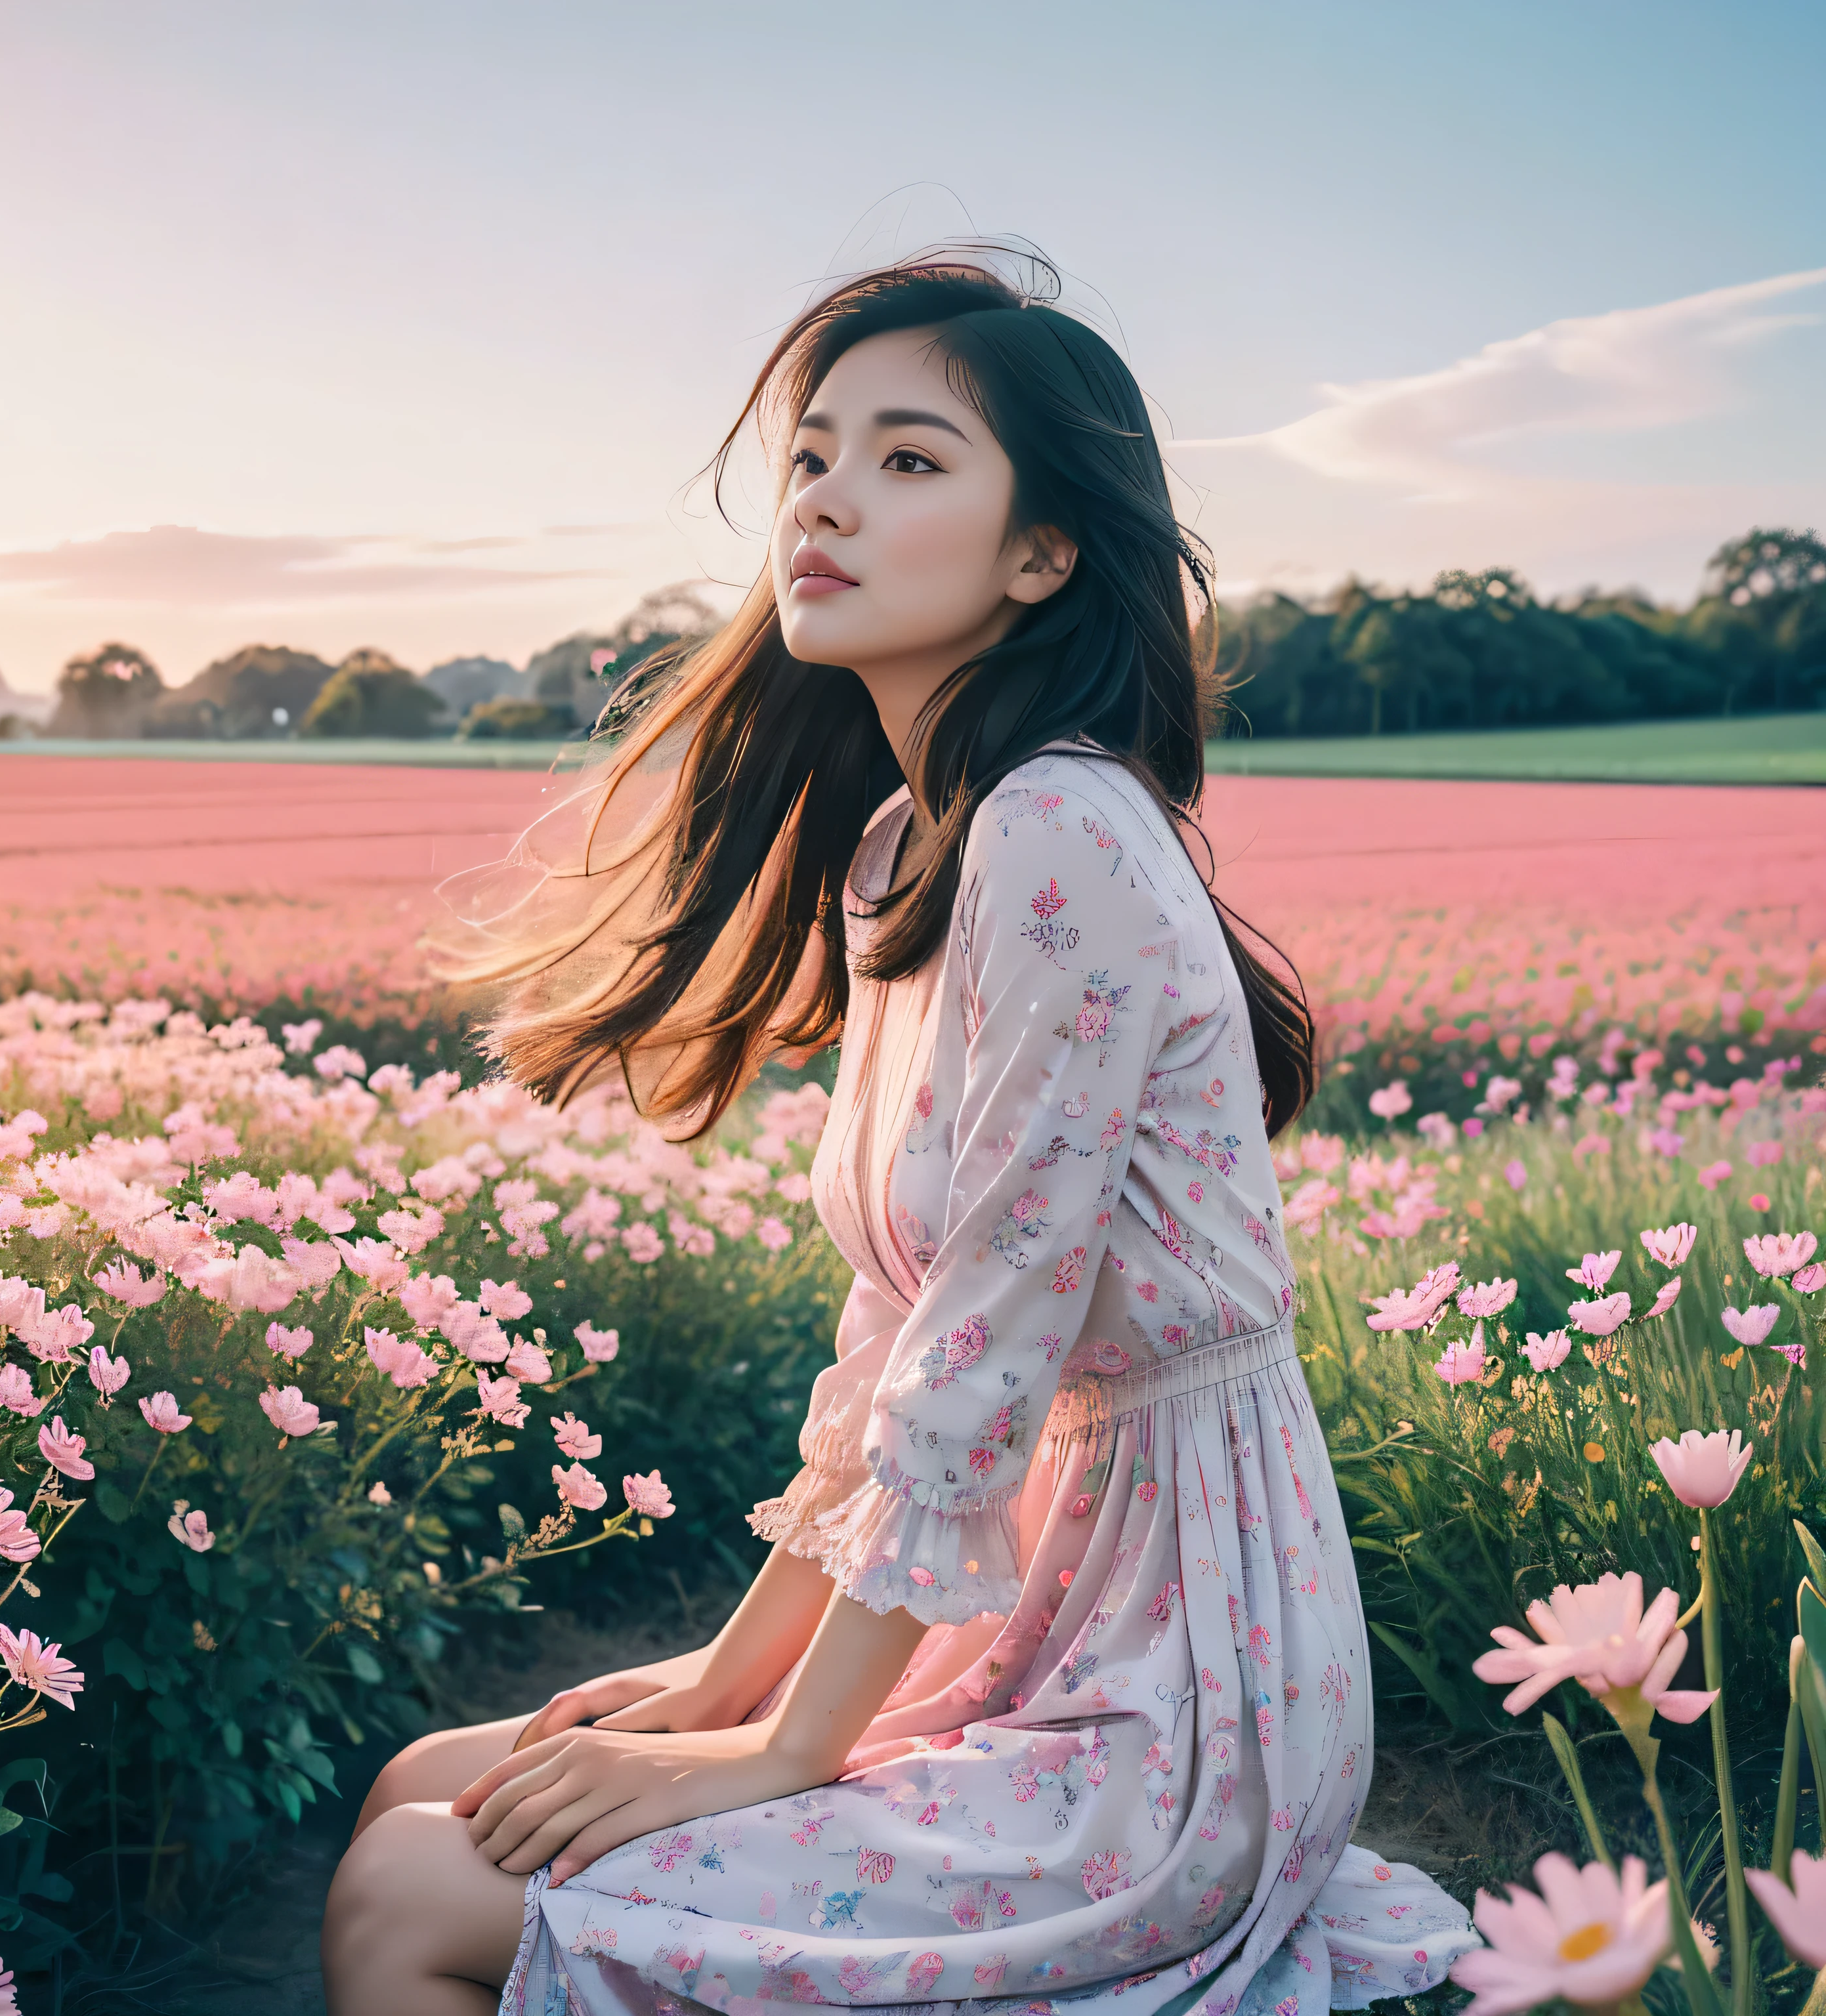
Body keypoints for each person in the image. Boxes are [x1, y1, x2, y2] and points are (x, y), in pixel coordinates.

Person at [322, 251, 1477, 2016]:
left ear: (1042, 554)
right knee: (432, 1787)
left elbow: (989, 1344)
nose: (831, 498)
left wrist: (777, 1748)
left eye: (911, 459)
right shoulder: (908, 856)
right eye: (812, 456)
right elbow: (897, 1350)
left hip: (1173, 1695)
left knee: (418, 1889)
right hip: (1026, 1618)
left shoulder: (1062, 829)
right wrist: (721, 1683)